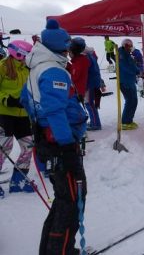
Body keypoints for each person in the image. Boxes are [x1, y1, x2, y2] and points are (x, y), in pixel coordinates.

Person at [20, 19, 88, 255]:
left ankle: (52, 249)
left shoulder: (37, 64)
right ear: (60, 46)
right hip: (59, 145)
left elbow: (25, 98)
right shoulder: (53, 70)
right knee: (71, 200)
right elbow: (55, 110)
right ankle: (62, 251)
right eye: (67, 46)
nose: (69, 50)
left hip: (49, 141)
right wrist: (67, 145)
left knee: (63, 200)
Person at [0, 40, 34, 198]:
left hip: (23, 115)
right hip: (4, 114)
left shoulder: (28, 69)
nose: (27, 58)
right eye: (25, 55)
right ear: (17, 53)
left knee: (28, 146)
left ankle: (18, 180)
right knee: (4, 149)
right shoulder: (2, 66)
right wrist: (7, 99)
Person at [118, 39, 139, 130]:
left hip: (130, 81)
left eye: (131, 46)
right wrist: (137, 72)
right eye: (129, 46)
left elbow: (132, 65)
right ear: (125, 46)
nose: (130, 48)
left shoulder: (127, 55)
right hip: (125, 82)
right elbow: (125, 67)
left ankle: (129, 120)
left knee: (134, 101)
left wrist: (138, 70)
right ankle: (125, 121)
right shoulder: (121, 55)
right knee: (130, 101)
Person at [84, 46, 103, 130]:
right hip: (93, 83)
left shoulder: (87, 58)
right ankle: (94, 122)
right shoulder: (91, 56)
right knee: (90, 104)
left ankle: (95, 124)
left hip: (90, 84)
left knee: (89, 104)